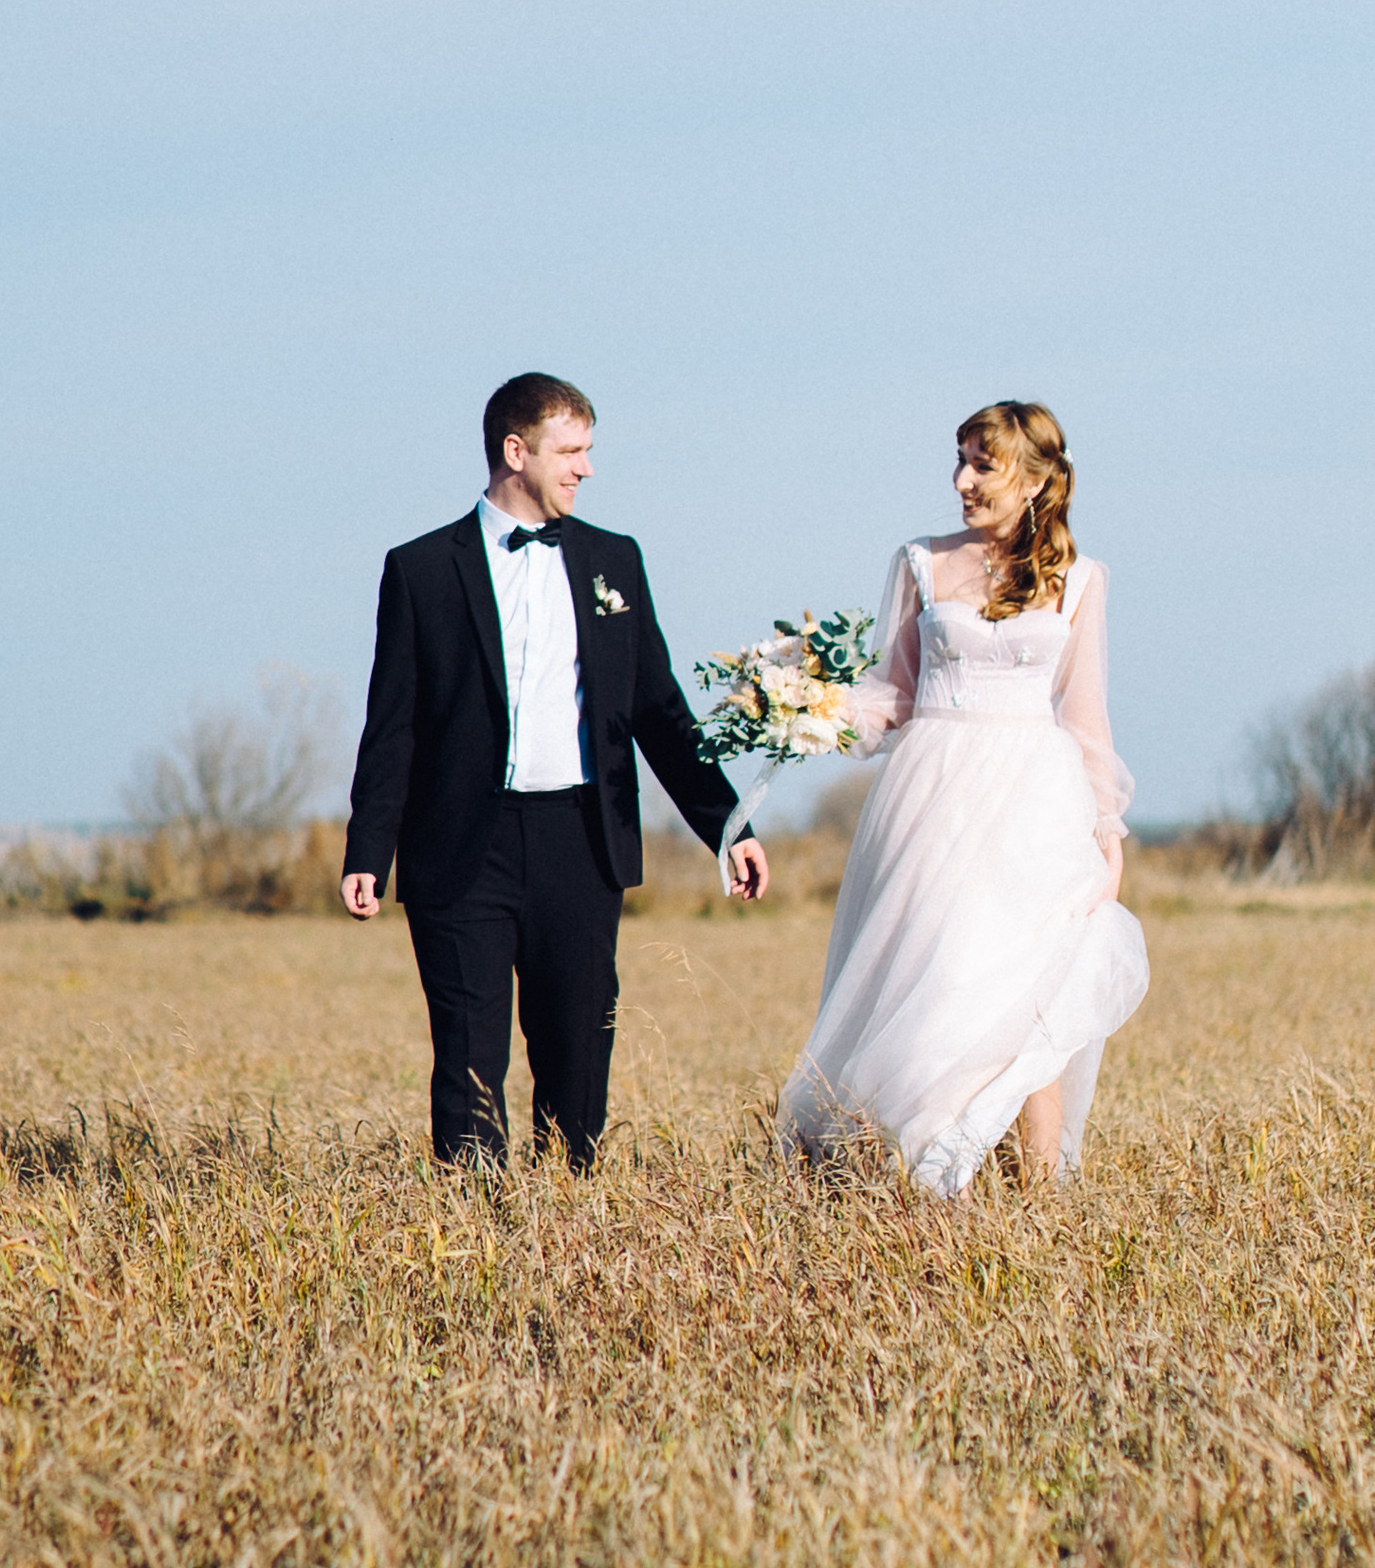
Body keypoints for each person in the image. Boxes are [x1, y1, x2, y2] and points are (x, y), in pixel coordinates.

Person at [341, 371, 766, 1170]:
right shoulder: (421, 569)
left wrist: (729, 825)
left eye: (587, 451)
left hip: (580, 839)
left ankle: (568, 1205)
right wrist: (369, 849)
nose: (586, 468)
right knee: (469, 1049)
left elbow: (659, 711)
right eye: (570, 451)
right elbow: (392, 725)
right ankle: (472, 1218)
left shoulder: (615, 561)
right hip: (460, 845)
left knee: (577, 1045)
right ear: (516, 451)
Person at [775, 401, 1148, 1192]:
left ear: (1036, 480)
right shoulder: (920, 560)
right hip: (932, 802)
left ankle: (1043, 1200)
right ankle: (918, 1174)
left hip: (1036, 809)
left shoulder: (1082, 579)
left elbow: (1085, 717)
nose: (962, 481)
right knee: (939, 980)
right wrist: (811, 705)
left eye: (984, 465)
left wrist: (1107, 835)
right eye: (961, 460)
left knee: (1032, 993)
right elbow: (894, 695)